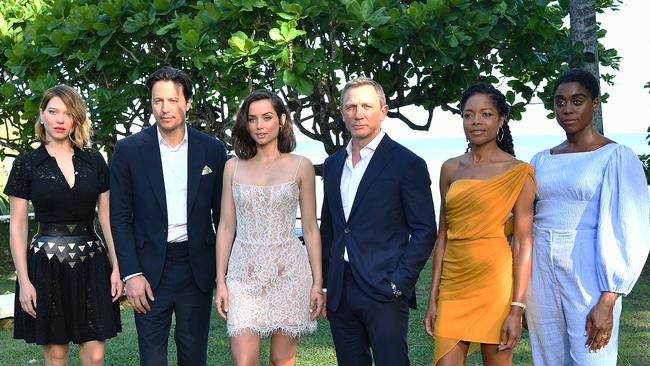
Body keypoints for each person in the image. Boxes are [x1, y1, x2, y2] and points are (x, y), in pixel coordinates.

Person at [525, 68, 650, 365]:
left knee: (593, 357)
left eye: (577, 101)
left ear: (595, 103)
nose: (567, 109)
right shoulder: (541, 160)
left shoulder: (616, 156)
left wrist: (608, 298)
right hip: (540, 272)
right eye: (560, 102)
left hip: (588, 269)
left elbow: (631, 228)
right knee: (548, 358)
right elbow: (525, 222)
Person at [109, 66, 227, 365]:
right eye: (157, 101)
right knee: (152, 359)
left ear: (187, 102)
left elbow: (224, 217)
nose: (165, 108)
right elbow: (119, 217)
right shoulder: (128, 150)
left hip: (196, 268)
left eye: (173, 100)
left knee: (193, 355)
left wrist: (224, 274)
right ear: (151, 104)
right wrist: (131, 274)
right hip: (148, 271)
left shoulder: (212, 150)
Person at [319, 77, 437, 366]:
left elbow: (424, 231)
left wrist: (399, 284)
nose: (358, 113)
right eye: (351, 106)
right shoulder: (334, 164)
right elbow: (331, 228)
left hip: (385, 288)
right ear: (343, 112)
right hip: (340, 290)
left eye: (367, 106)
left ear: (382, 112)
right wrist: (325, 284)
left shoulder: (407, 164)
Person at [5, 84, 122, 365]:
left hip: (92, 263)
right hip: (45, 266)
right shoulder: (27, 164)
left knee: (94, 356)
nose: (60, 119)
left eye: (67, 113)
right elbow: (18, 226)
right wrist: (24, 281)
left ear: (76, 119)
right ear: (42, 116)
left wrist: (118, 267)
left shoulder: (95, 161)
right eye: (53, 111)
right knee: (56, 355)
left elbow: (107, 217)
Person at [423, 84, 536, 365]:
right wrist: (433, 297)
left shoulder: (519, 172)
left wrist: (517, 308)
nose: (475, 121)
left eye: (486, 114)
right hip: (453, 283)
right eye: (468, 115)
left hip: (495, 283)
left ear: (501, 120)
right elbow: (443, 236)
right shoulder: (450, 168)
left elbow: (523, 243)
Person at [213, 89, 323, 365]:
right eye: (252, 119)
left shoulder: (302, 166)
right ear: (245, 124)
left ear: (282, 120)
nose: (259, 126)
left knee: (281, 361)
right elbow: (226, 226)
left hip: (289, 272)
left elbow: (310, 228)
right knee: (244, 361)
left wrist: (318, 283)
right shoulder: (232, 167)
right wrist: (221, 280)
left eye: (267, 117)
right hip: (243, 274)